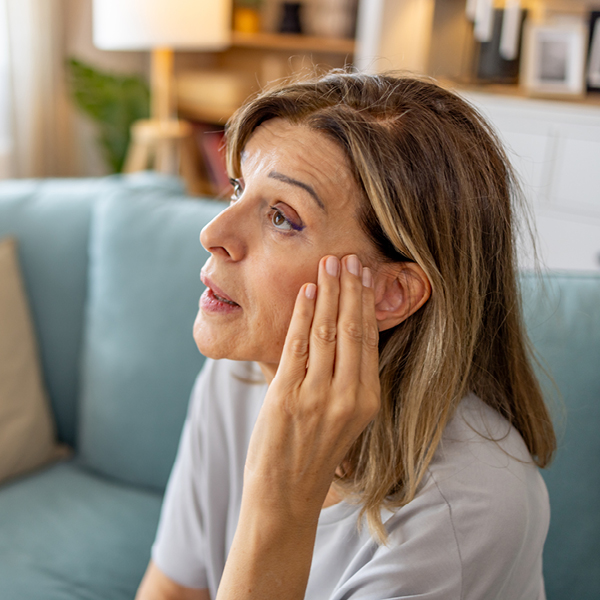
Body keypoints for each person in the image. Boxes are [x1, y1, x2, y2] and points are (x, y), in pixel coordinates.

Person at [135, 71, 556, 600]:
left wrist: (280, 498)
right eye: (240, 187)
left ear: (389, 295)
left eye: (282, 218)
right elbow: (173, 589)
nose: (213, 232)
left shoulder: (465, 511)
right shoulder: (242, 369)